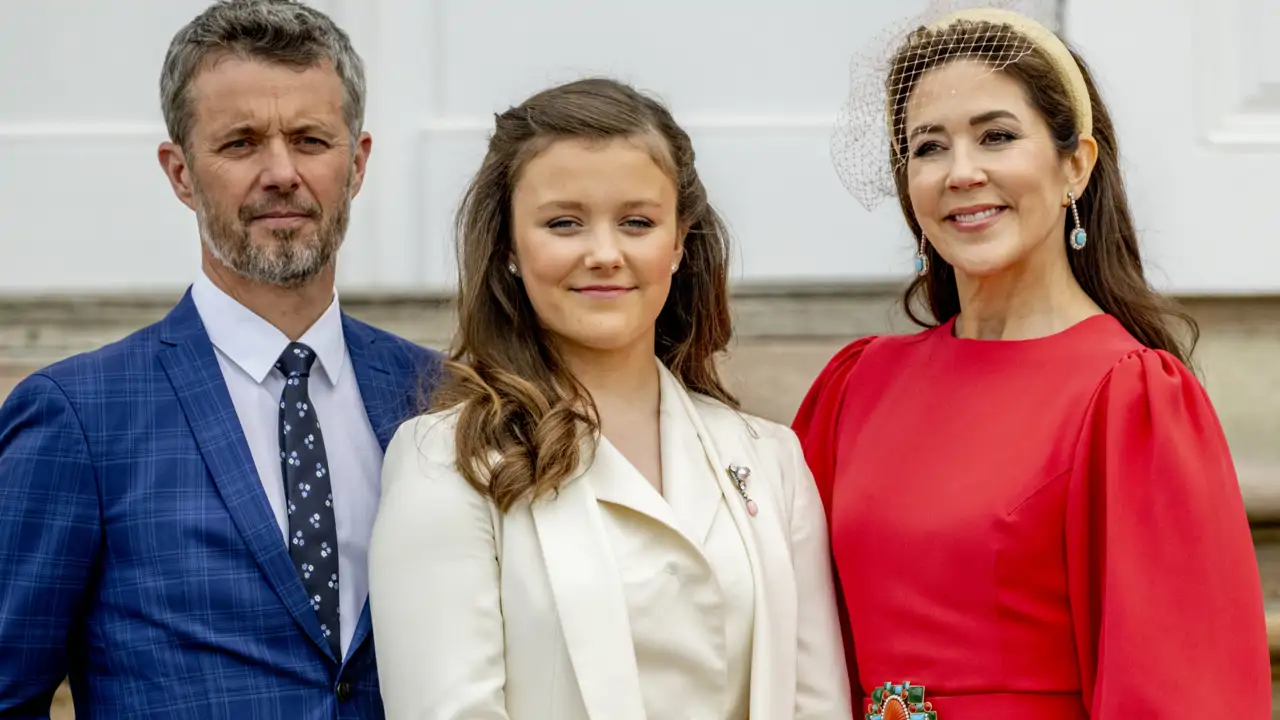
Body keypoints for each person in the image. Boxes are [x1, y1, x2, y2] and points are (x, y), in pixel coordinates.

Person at [796, 5, 1271, 719]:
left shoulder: (1132, 398)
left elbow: (1178, 691)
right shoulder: (856, 386)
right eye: (929, 147)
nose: (962, 172)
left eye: (997, 136)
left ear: (1074, 165)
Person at [0, 1, 439, 717]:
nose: (281, 173)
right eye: (239, 144)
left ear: (357, 164)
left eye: (311, 140)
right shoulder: (79, 418)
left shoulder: (438, 395)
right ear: (180, 173)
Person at [367, 77, 853, 720]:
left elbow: (815, 704)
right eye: (564, 223)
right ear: (509, 246)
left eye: (637, 222)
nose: (604, 254)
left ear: (678, 242)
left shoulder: (773, 460)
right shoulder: (448, 460)